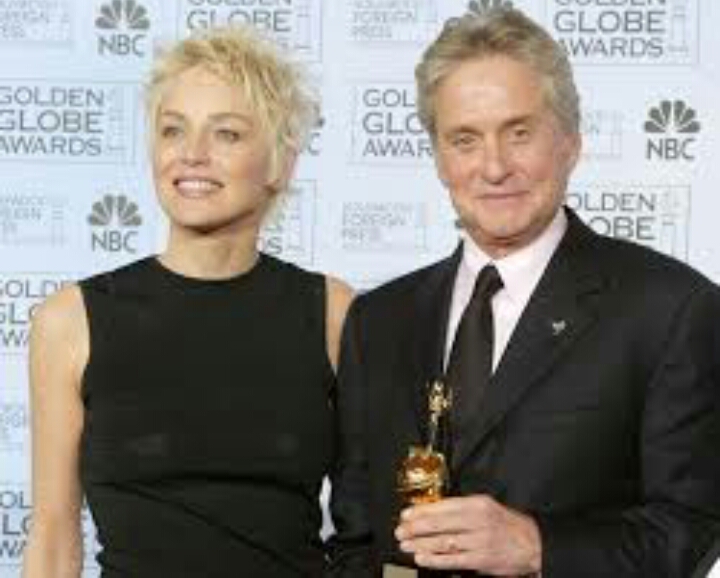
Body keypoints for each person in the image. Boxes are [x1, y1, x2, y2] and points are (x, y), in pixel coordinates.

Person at [328, 6, 720, 577]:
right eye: (464, 139)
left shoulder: (670, 310)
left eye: (519, 133)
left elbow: (690, 530)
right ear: (437, 157)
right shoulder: (378, 320)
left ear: (570, 141)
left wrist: (538, 546)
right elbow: (355, 537)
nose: (494, 167)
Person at [22, 25, 352, 578]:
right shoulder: (70, 320)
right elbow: (54, 539)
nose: (192, 155)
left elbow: (368, 523)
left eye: (226, 134)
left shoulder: (332, 314)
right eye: (173, 131)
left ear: (280, 163)